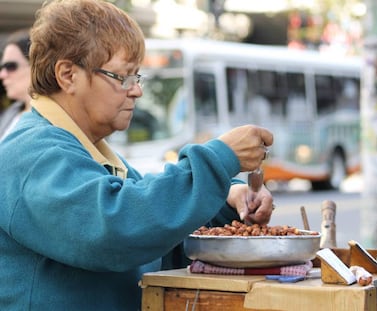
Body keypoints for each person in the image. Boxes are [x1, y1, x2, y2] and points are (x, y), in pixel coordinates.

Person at [0, 0, 274, 310]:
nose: (136, 91)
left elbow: (154, 236)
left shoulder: (88, 152)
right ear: (68, 75)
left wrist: (227, 202)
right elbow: (118, 230)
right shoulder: (33, 154)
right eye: (123, 77)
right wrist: (219, 159)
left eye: (137, 77)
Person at [0, 28, 31, 141]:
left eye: (11, 66)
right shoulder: (9, 114)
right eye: (3, 67)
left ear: (36, 67)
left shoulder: (56, 116)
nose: (2, 75)